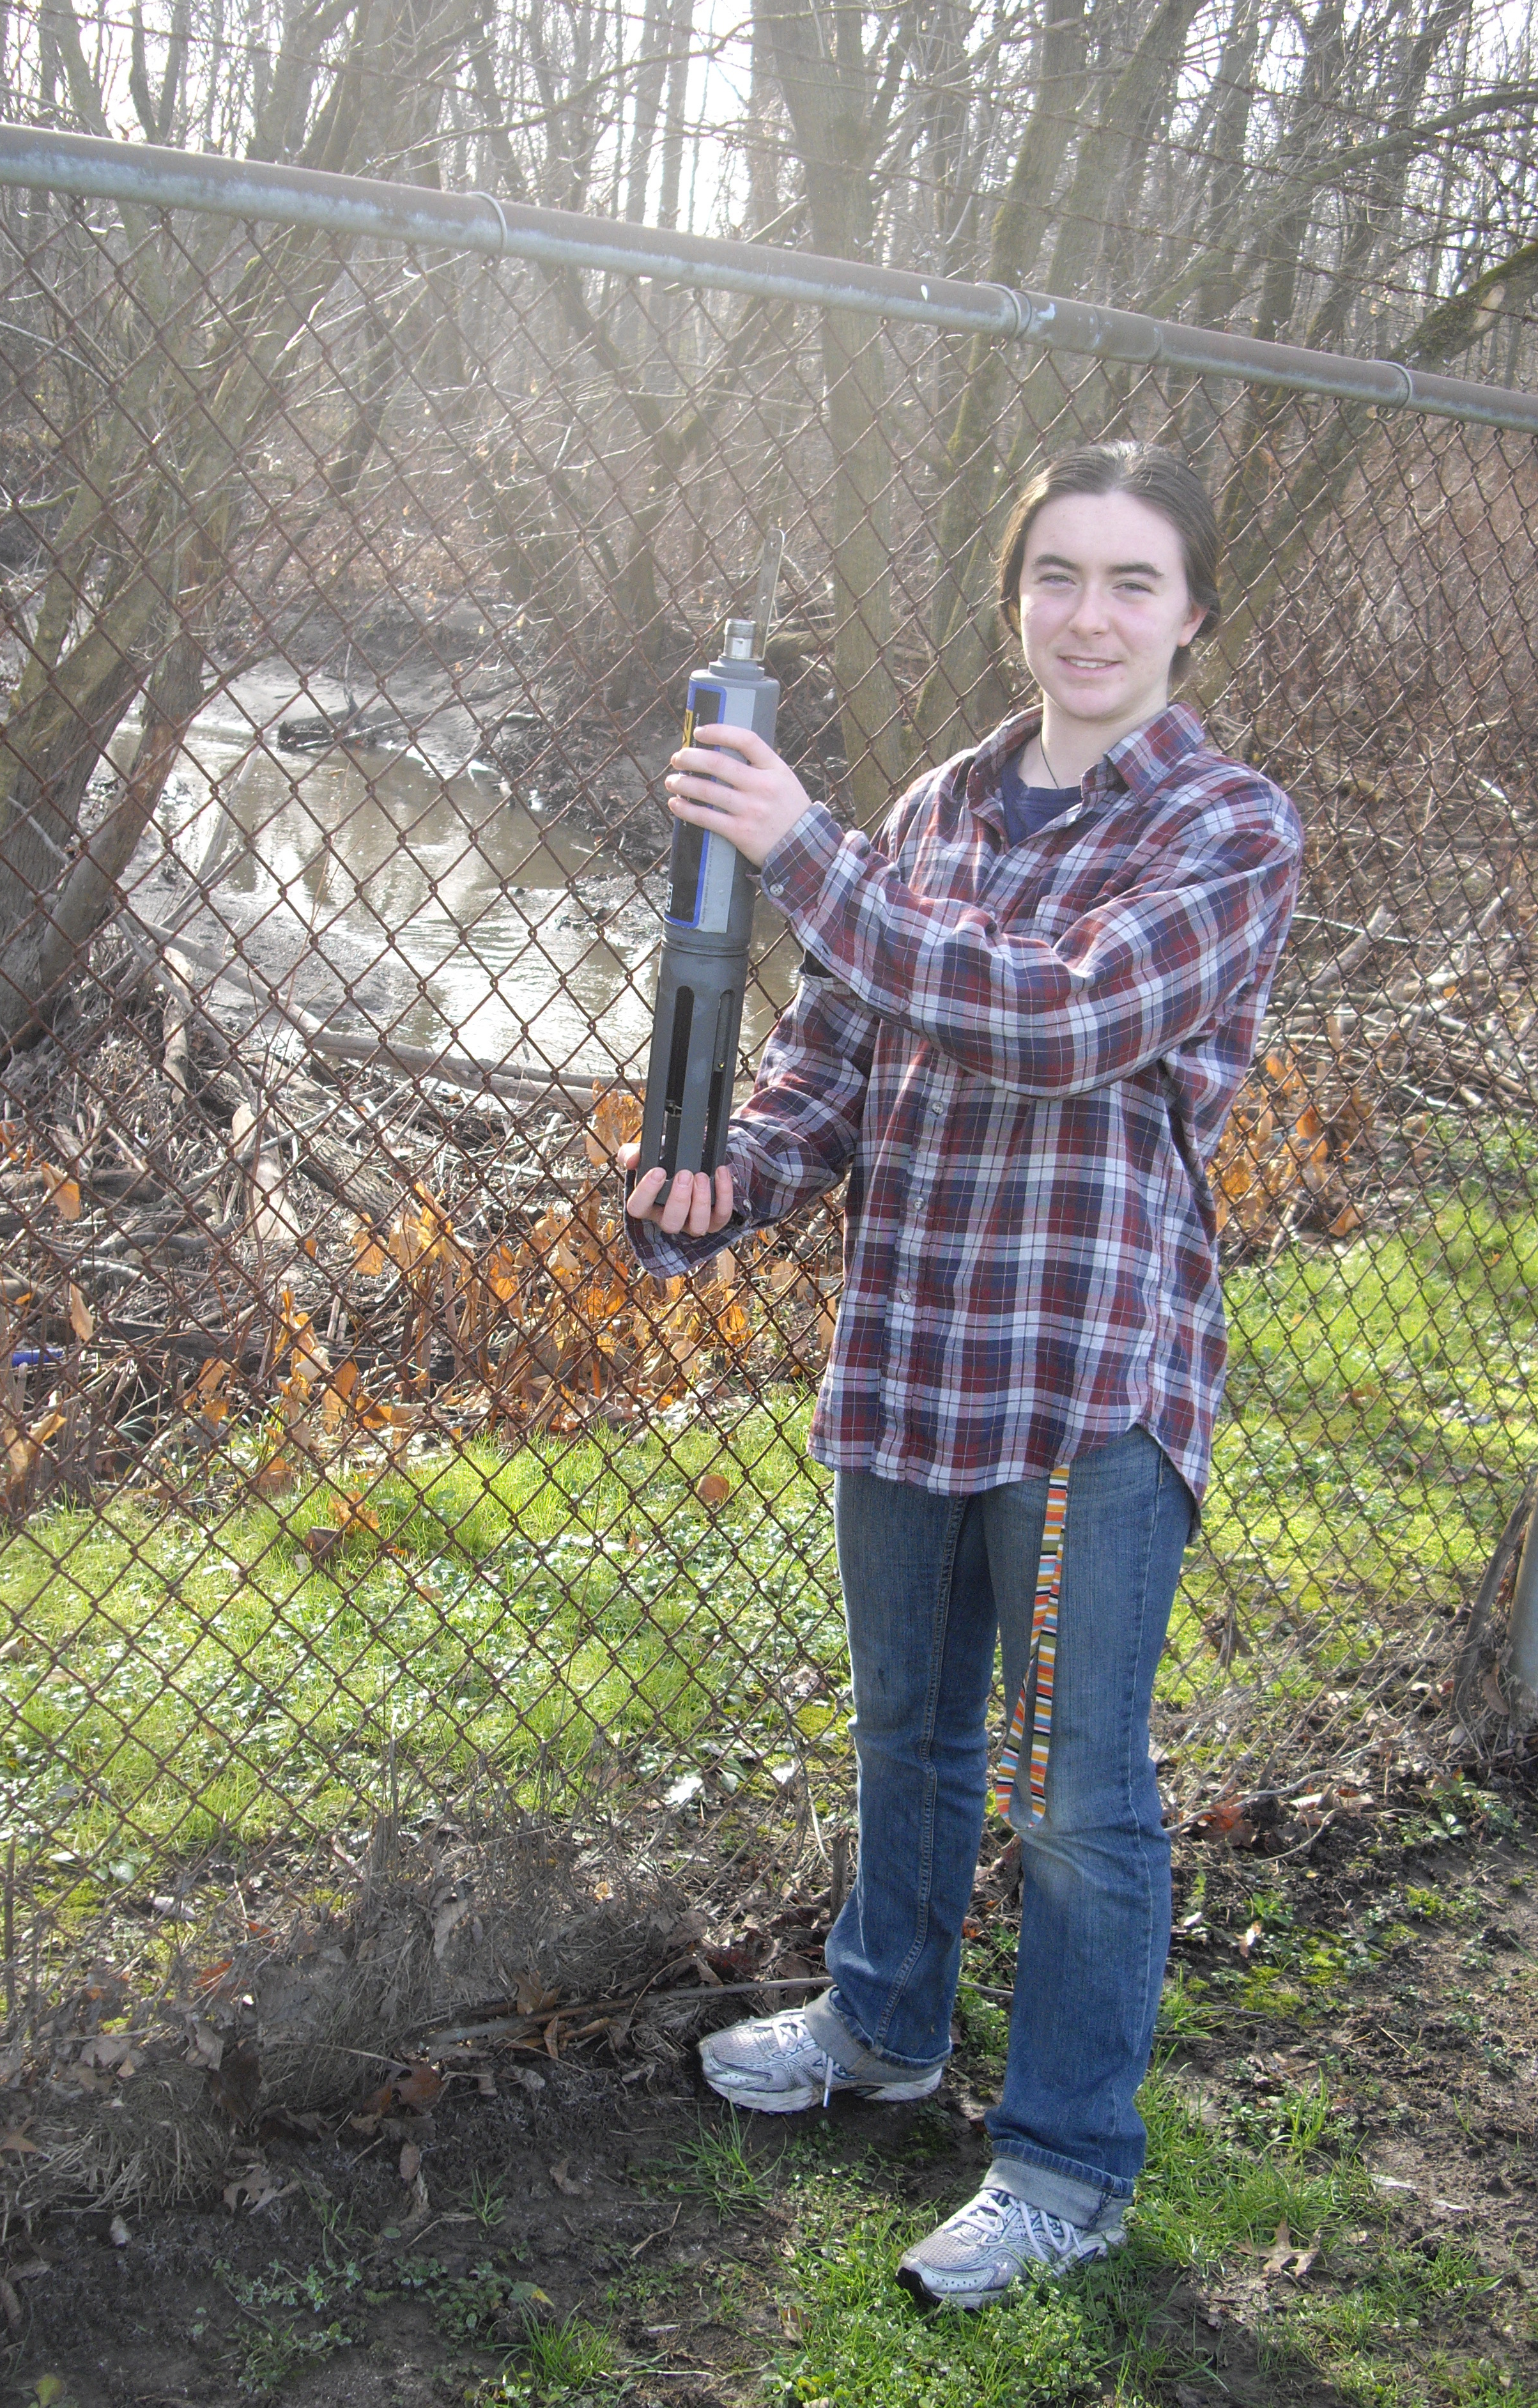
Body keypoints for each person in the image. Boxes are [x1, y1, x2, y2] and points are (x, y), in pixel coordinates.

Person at [619, 443, 1302, 2311]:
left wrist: (799, 852)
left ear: (1191, 613)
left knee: (1074, 1792)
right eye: (1057, 576)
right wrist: (720, 1183)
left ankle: (1066, 2158)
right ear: (1014, 595)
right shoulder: (938, 804)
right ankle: (881, 2025)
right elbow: (834, 1056)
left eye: (1131, 583)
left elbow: (1059, 1014)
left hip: (1087, 1377)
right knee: (906, 1733)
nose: (1087, 617)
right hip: (912, 1347)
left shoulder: (1228, 828)